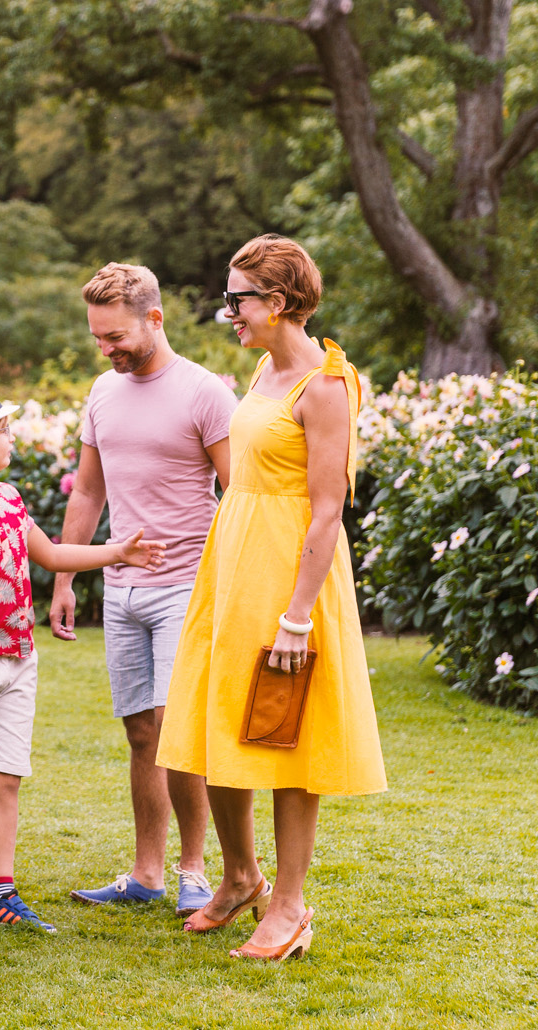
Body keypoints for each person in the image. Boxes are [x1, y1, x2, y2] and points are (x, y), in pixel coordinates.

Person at [156, 234, 387, 961]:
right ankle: (241, 876)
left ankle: (288, 905)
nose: (229, 312)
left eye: (238, 299)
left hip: (291, 576)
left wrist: (296, 617)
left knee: (284, 734)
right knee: (212, 720)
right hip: (233, 566)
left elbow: (326, 510)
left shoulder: (324, 385)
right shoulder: (263, 367)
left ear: (278, 303)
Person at [0, 378, 167, 933]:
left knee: (5, 778)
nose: (12, 437)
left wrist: (116, 550)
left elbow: (48, 553)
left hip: (18, 662)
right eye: (4, 430)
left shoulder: (7, 499)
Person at [55, 263, 235, 916]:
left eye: (116, 336)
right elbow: (89, 491)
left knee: (176, 729)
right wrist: (66, 576)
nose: (106, 349)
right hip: (124, 591)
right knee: (140, 732)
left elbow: (240, 494)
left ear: (154, 319)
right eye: (98, 338)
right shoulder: (103, 393)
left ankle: (195, 869)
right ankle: (146, 872)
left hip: (187, 587)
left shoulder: (206, 393)